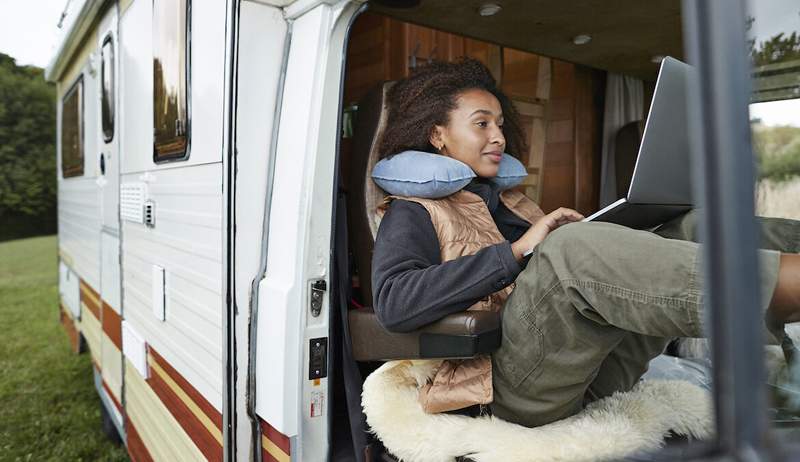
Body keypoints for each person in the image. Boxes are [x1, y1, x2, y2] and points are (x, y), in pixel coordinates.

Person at [370, 58, 800, 428]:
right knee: (569, 250)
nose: (499, 136)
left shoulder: (511, 203)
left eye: (501, 124)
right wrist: (518, 252)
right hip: (497, 392)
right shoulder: (412, 210)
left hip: (583, 370)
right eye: (481, 123)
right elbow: (394, 303)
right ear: (437, 135)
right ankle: (781, 286)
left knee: (692, 225)